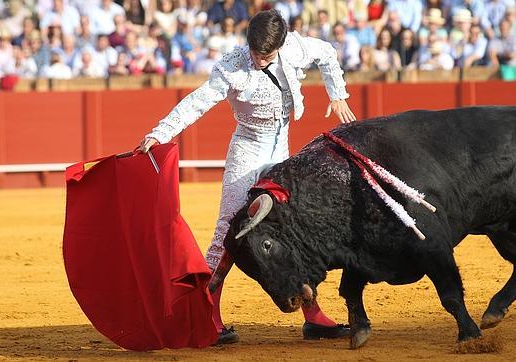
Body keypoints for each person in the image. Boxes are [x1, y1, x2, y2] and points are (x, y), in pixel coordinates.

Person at [138, 9, 356, 345]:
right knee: (228, 230)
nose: (257, 58)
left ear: (280, 46)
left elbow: (327, 53)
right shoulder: (233, 65)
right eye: (254, 51)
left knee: (290, 229)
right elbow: (197, 102)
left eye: (265, 54)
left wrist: (337, 92)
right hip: (247, 151)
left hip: (281, 151)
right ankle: (205, 314)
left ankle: (311, 314)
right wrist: (161, 132)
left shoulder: (295, 49)